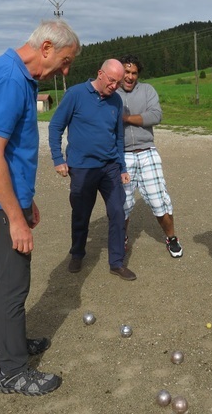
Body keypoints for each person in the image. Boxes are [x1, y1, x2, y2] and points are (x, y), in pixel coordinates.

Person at [0, 19, 80, 395]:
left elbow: (13, 150)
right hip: (1, 202)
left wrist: (26, 199)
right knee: (14, 283)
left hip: (5, 198)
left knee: (4, 276)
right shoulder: (11, 79)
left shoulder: (10, 71)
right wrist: (15, 217)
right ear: (46, 47)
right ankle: (11, 371)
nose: (64, 71)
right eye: (65, 61)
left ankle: (7, 343)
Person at [49, 59, 137, 281]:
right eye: (111, 80)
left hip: (109, 167)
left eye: (118, 82)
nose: (115, 86)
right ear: (100, 73)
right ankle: (77, 253)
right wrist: (58, 159)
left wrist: (122, 166)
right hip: (82, 167)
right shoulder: (75, 94)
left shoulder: (116, 101)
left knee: (118, 211)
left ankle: (116, 262)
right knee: (81, 213)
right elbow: (55, 126)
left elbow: (118, 137)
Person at [116, 54, 183, 258]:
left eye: (134, 73)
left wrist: (125, 118)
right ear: (120, 72)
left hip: (147, 152)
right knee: (123, 203)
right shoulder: (111, 92)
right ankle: (121, 237)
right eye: (126, 72)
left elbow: (156, 116)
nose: (130, 77)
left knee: (159, 200)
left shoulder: (147, 90)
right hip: (122, 155)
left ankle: (171, 238)